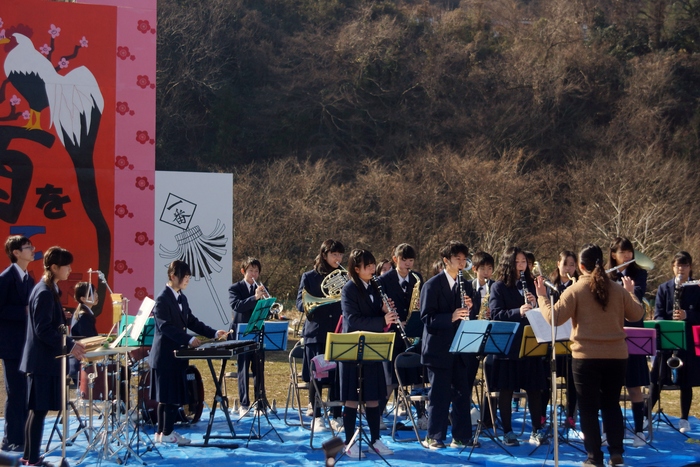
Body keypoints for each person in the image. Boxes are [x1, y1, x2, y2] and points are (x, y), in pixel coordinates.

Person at [536, 243, 644, 467]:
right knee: (611, 405)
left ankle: (594, 458)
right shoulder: (617, 289)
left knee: (588, 408)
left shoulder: (576, 289)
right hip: (616, 356)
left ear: (581, 266)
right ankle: (617, 453)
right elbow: (637, 315)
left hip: (586, 357)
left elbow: (554, 318)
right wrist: (631, 294)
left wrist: (542, 297)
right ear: (602, 263)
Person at [20, 246, 86, 466]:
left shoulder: (49, 290)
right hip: (42, 361)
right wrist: (70, 343)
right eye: (66, 265)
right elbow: (43, 330)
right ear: (55, 267)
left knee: (36, 411)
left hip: (43, 360)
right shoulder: (44, 292)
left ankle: (30, 457)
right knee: (38, 411)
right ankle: (32, 460)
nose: (69, 269)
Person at [150, 260, 227, 445]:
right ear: (172, 276)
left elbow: (191, 321)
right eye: (183, 276)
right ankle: (165, 433)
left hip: (177, 355)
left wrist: (214, 333)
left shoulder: (182, 298)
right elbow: (165, 327)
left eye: (188, 277)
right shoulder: (162, 299)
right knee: (166, 397)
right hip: (165, 355)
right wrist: (188, 339)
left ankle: (163, 433)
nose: (186, 280)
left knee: (169, 397)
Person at [420, 241, 479, 449]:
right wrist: (451, 316)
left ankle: (461, 436)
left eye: (464, 259)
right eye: (458, 259)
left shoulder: (466, 284)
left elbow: (471, 313)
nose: (462, 263)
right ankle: (433, 436)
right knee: (440, 394)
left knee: (462, 393)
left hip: (460, 347)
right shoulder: (432, 285)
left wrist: (470, 306)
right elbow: (427, 317)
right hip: (439, 348)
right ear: (446, 261)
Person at [339, 248, 396, 459]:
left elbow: (377, 317)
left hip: (372, 347)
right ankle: (349, 441)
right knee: (352, 399)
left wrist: (386, 313)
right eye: (368, 265)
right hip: (352, 349)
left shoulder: (375, 286)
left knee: (373, 396)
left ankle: (374, 439)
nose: (373, 269)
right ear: (356, 268)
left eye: (373, 265)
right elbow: (352, 320)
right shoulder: (349, 289)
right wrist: (381, 320)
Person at [489, 246, 548, 447]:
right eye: (517, 262)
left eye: (523, 262)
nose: (521, 265)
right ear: (508, 263)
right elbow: (496, 314)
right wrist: (518, 311)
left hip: (530, 343)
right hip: (509, 345)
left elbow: (543, 313)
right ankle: (507, 431)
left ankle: (536, 430)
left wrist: (537, 304)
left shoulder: (531, 284)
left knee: (534, 388)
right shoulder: (498, 287)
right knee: (506, 389)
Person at [296, 239, 345, 433]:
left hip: (338, 332)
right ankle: (316, 417)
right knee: (317, 375)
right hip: (316, 332)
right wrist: (323, 302)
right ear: (324, 255)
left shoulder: (344, 276)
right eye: (334, 254)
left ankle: (337, 415)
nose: (338, 258)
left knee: (338, 377)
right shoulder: (309, 277)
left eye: (341, 255)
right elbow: (301, 304)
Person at [650, 251, 700, 433]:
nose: (681, 269)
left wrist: (688, 315)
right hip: (666, 342)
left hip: (687, 341)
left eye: (685, 265)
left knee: (686, 382)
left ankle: (684, 418)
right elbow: (658, 314)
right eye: (678, 265)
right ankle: (647, 414)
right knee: (657, 380)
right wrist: (669, 321)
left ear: (690, 267)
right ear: (673, 267)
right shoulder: (664, 288)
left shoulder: (697, 287)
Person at [605, 237, 648, 446]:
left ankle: (639, 430)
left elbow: (638, 297)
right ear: (614, 255)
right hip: (611, 334)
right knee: (609, 387)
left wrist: (629, 291)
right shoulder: (606, 275)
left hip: (632, 332)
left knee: (634, 386)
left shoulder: (639, 273)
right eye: (623, 252)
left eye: (629, 252)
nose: (627, 256)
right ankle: (609, 431)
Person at [377, 243, 424, 424]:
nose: (408, 264)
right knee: (390, 377)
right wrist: (391, 317)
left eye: (411, 260)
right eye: (404, 260)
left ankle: (421, 415)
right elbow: (378, 307)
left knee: (416, 374)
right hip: (392, 333)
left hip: (412, 333)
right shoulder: (383, 280)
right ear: (395, 259)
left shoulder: (416, 278)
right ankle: (378, 415)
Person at [0, 236, 36, 453]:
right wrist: (22, 312)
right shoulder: (5, 278)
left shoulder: (28, 279)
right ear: (15, 252)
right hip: (11, 345)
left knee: (24, 392)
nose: (32, 250)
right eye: (28, 247)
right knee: (15, 392)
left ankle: (23, 436)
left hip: (26, 345)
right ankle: (10, 439)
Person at [540, 250, 580, 430]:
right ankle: (541, 413)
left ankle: (571, 414)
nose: (569, 268)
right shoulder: (550, 286)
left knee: (573, 380)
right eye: (566, 264)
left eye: (572, 265)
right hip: (552, 342)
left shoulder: (578, 285)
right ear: (558, 264)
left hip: (572, 344)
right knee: (545, 379)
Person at [229, 257, 268, 417]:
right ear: (243, 271)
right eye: (251, 270)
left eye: (257, 271)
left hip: (257, 332)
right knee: (243, 368)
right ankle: (244, 404)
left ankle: (260, 403)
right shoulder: (235, 288)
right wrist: (255, 298)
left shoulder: (261, 288)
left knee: (259, 368)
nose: (254, 274)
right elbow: (237, 306)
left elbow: (267, 307)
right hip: (241, 333)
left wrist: (267, 302)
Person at [69, 282, 99, 384]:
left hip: (81, 363)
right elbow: (90, 341)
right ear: (82, 299)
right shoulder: (84, 317)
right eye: (92, 293)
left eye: (95, 292)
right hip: (81, 365)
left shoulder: (83, 314)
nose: (96, 295)